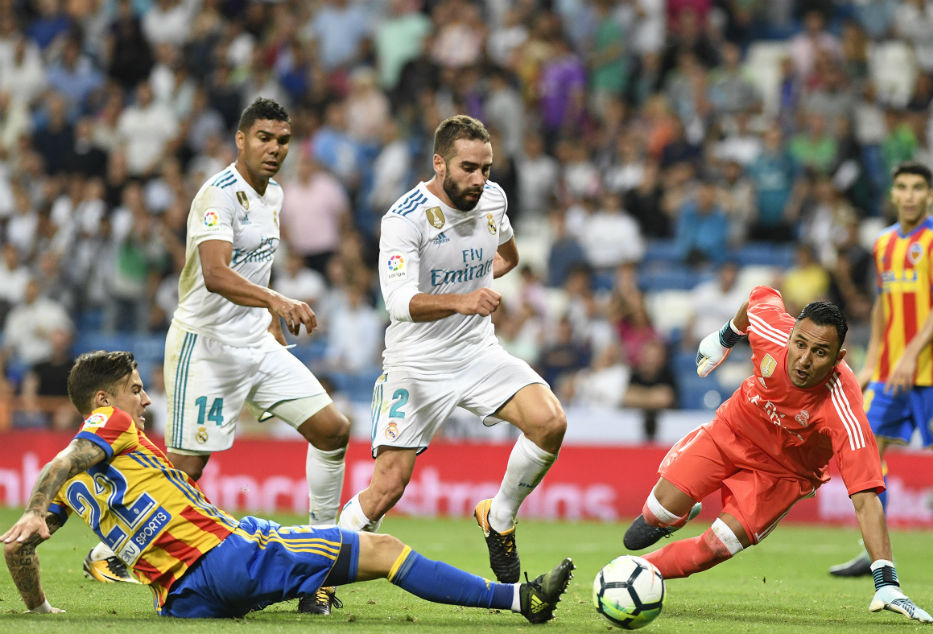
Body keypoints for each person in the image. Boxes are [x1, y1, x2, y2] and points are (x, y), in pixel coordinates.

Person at [1, 351, 574, 621]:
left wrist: (39, 608)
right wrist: (32, 502)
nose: (144, 399)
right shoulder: (106, 425)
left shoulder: (75, 492)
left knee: (279, 541)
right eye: (133, 388)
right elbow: (64, 457)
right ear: (103, 401)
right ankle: (520, 599)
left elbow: (21, 543)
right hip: (224, 560)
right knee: (382, 549)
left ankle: (310, 589)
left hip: (181, 600)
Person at [84, 98, 351, 616]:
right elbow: (216, 273)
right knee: (186, 470)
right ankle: (112, 548)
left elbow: (257, 273)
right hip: (204, 347)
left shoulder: (273, 195)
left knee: (333, 429)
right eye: (265, 138)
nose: (275, 148)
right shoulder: (217, 195)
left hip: (257, 342)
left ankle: (319, 571)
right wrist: (277, 300)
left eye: (283, 139)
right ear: (241, 139)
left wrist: (270, 318)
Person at [336, 115, 568, 586]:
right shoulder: (404, 218)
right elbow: (398, 302)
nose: (480, 179)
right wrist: (465, 299)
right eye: (468, 168)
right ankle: (320, 574)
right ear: (439, 163)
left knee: (550, 423)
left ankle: (499, 519)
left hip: (478, 352)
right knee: (386, 488)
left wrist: (478, 283)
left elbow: (508, 256)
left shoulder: (494, 199)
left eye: (486, 167)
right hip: (416, 363)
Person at [621, 286, 933, 624]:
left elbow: (865, 497)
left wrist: (886, 580)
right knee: (653, 516)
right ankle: (677, 512)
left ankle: (635, 575)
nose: (804, 359)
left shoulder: (843, 407)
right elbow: (759, 297)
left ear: (838, 358)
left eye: (820, 352)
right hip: (733, 432)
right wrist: (725, 337)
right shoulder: (772, 329)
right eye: (800, 344)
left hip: (782, 476)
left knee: (717, 544)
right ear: (791, 335)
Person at [828, 161, 933, 583]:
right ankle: (872, 552)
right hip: (889, 372)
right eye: (903, 187)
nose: (911, 194)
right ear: (894, 194)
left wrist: (911, 354)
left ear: (930, 195)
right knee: (868, 451)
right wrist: (873, 361)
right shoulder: (882, 243)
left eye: (919, 187)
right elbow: (883, 305)